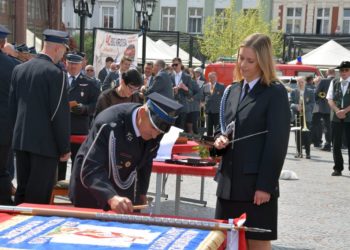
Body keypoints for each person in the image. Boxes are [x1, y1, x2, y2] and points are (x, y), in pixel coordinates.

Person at [212, 33, 290, 249]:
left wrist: (265, 186)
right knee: (222, 244)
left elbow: (277, 143)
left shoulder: (275, 93)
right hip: (227, 185)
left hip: (256, 190)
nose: (243, 65)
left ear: (263, 62)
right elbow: (224, 128)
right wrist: (218, 141)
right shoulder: (233, 90)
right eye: (240, 58)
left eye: (250, 60)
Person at [69, 92, 182, 213]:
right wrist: (111, 196)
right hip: (93, 191)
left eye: (159, 132)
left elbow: (146, 161)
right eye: (153, 128)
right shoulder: (109, 123)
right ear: (143, 113)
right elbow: (90, 167)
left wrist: (142, 193)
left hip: (124, 191)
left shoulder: (156, 131)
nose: (155, 135)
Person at [9, 29, 71, 204]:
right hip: (45, 145)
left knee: (22, 191)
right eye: (64, 51)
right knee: (38, 197)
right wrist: (64, 147)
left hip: (22, 141)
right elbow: (59, 114)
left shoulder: (19, 69)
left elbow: (12, 108)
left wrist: (17, 136)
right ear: (58, 49)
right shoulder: (56, 74)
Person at [57, 53, 100, 181]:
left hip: (79, 128)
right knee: (60, 160)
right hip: (60, 127)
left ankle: (75, 187)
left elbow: (96, 104)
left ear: (82, 65)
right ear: (66, 63)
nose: (73, 66)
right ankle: (58, 187)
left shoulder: (90, 83)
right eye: (70, 63)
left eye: (76, 64)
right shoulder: (59, 79)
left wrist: (84, 108)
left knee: (77, 161)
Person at [0, 24, 18, 205]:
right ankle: (5, 206)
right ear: (3, 42)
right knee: (2, 170)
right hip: (4, 129)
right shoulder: (13, 66)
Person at [327, 61, 350, 176]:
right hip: (336, 117)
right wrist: (337, 111)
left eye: (346, 70)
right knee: (336, 144)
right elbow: (329, 98)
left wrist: (345, 111)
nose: (344, 72)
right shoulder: (334, 82)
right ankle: (338, 168)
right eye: (341, 70)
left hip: (349, 116)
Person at [290, 76, 315, 159]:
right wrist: (296, 106)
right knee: (297, 135)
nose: (300, 84)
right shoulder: (294, 91)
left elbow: (312, 104)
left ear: (305, 82)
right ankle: (299, 152)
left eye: (302, 82)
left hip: (306, 116)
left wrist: (304, 108)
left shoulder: (310, 91)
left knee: (307, 135)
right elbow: (290, 103)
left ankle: (308, 153)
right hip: (297, 115)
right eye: (298, 82)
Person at [171, 57, 197, 130]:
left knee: (180, 128)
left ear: (180, 64)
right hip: (172, 106)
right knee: (171, 128)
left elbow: (191, 93)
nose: (174, 67)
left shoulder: (187, 77)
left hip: (183, 107)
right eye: (173, 65)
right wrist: (173, 90)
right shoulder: (170, 76)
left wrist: (186, 88)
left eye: (176, 65)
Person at [312, 69, 335, 151]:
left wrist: (323, 97)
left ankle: (328, 144)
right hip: (337, 108)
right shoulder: (338, 81)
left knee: (327, 127)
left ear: (327, 73)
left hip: (325, 108)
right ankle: (334, 144)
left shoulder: (324, 81)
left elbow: (317, 92)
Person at [203, 72, 225, 136]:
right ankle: (209, 144)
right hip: (208, 111)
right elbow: (203, 97)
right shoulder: (205, 86)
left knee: (217, 129)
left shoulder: (221, 86)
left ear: (216, 78)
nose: (212, 79)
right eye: (210, 77)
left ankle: (217, 143)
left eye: (213, 77)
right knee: (208, 130)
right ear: (208, 78)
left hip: (217, 111)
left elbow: (224, 98)